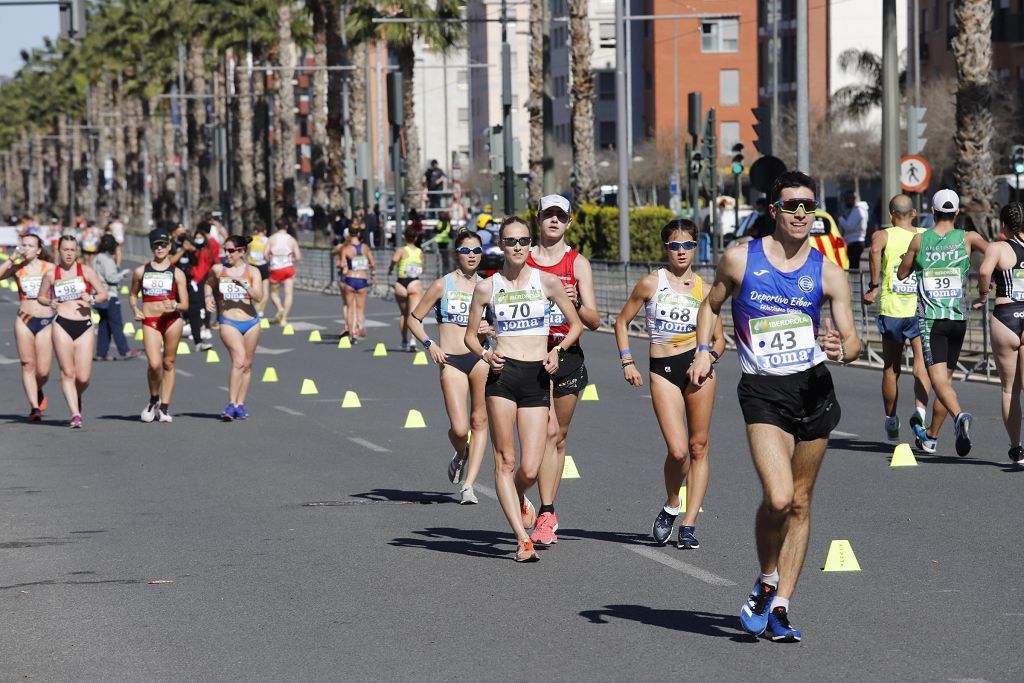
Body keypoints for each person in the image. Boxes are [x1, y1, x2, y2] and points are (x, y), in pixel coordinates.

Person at [689, 171, 862, 642]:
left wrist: (842, 344)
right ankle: (767, 578)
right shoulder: (739, 259)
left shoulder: (828, 271)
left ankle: (782, 605)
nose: (802, 214)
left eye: (809, 205)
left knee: (801, 502)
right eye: (792, 206)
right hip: (764, 392)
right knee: (779, 497)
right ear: (774, 211)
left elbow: (852, 338)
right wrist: (704, 350)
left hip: (814, 391)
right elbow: (711, 305)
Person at [463, 216, 584, 563]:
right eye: (510, 241)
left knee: (529, 469)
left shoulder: (547, 282)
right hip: (502, 376)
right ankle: (522, 538)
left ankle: (517, 497)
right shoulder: (487, 287)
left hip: (536, 376)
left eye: (523, 241)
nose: (517, 246)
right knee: (506, 460)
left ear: (530, 245)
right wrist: (486, 353)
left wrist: (557, 351)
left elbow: (574, 325)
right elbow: (471, 335)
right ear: (500, 245)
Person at [614, 219, 726, 549]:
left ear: (695, 248)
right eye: (675, 245)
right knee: (678, 451)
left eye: (688, 245)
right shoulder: (651, 283)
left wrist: (709, 359)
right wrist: (627, 360)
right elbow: (622, 322)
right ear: (666, 248)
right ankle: (672, 503)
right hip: (662, 368)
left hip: (698, 370)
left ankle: (689, 524)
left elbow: (720, 340)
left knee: (698, 447)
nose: (681, 251)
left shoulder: (706, 291)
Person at [525, 194, 601, 548]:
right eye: (548, 215)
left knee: (557, 436)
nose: (554, 221)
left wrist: (575, 302)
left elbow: (594, 321)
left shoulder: (577, 263)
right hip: (529, 354)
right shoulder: (524, 259)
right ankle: (526, 494)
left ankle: (547, 512)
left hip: (566, 353)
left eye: (560, 216)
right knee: (542, 433)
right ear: (538, 219)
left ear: (569, 222)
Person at [897, 189, 988, 456]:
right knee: (944, 382)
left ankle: (959, 416)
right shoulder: (968, 238)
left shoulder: (919, 240)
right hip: (958, 319)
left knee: (937, 381)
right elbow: (994, 253)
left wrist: (916, 263)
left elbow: (902, 274)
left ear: (933, 212)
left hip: (932, 320)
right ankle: (932, 438)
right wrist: (986, 288)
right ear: (957, 212)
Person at [408, 230, 491, 504]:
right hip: (451, 360)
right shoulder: (442, 285)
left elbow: (501, 325)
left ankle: (468, 485)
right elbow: (414, 319)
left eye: (477, 251)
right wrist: (430, 343)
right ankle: (462, 452)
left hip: (480, 358)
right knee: (459, 428)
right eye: (466, 250)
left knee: (479, 421)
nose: (472, 256)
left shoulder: (488, 286)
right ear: (457, 253)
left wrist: (490, 326)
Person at [862, 194, 932, 441]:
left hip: (893, 309)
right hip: (920, 308)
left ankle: (891, 420)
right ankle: (920, 417)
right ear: (913, 214)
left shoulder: (883, 235)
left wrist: (873, 285)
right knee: (921, 365)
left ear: (891, 215)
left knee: (891, 367)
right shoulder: (926, 234)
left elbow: (873, 251)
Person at [36, 235, 109, 428]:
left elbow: (103, 294)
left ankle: (77, 396)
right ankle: (75, 414)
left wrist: (91, 298)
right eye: (65, 249)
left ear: (76, 251)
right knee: (67, 373)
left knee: (83, 378)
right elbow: (41, 297)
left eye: (72, 250)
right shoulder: (52, 274)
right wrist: (50, 302)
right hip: (61, 324)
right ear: (58, 251)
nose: (69, 254)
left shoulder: (86, 271)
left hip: (84, 325)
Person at [975, 202, 1024, 464]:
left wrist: (983, 294)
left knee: (1010, 390)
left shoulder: (998, 247)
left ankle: (1016, 449)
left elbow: (984, 271)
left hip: (1006, 317)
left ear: (1003, 225)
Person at [130, 228, 190, 423]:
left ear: (170, 246)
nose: (160, 248)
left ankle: (164, 407)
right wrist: (135, 309)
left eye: (163, 244)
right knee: (155, 365)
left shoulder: (177, 273)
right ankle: (154, 398)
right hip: (151, 321)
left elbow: (185, 305)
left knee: (168, 363)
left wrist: (174, 305)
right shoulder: (141, 271)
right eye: (156, 245)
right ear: (152, 247)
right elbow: (133, 295)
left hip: (172, 320)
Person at [205, 234, 263, 421]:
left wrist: (246, 286)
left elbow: (259, 297)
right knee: (238, 360)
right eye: (225, 250)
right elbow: (208, 284)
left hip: (251, 322)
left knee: (247, 364)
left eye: (230, 251)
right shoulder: (218, 269)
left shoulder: (253, 271)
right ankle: (231, 404)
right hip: (229, 322)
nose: (226, 254)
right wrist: (208, 297)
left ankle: (240, 404)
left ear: (241, 252)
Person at [0, 233, 54, 420]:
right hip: (24, 318)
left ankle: (38, 389)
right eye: (23, 245)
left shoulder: (50, 268)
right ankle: (34, 407)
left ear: (38, 250)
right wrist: (11, 258)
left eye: (31, 245)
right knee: (27, 364)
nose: (26, 248)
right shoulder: (17, 268)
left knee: (43, 371)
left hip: (46, 320)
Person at [92, 234, 139, 361]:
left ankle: (101, 353)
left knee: (104, 324)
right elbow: (111, 278)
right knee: (116, 324)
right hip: (109, 294)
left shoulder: (96, 258)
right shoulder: (107, 260)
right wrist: (122, 276)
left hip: (98, 294)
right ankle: (125, 350)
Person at [336, 226, 376, 340]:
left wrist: (346, 265)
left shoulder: (346, 248)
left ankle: (351, 333)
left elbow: (342, 264)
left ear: (349, 234)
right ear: (358, 234)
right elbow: (373, 264)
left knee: (349, 308)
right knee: (360, 309)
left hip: (350, 279)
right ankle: (359, 327)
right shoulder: (365, 248)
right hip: (362, 280)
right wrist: (371, 272)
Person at [389, 228, 425, 351]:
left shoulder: (401, 250)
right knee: (413, 315)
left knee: (404, 314)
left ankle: (404, 341)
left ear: (404, 237)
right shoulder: (419, 252)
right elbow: (422, 269)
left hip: (401, 282)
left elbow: (393, 261)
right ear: (415, 238)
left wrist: (390, 269)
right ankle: (413, 341)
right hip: (414, 282)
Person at [265, 217, 301, 325]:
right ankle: (284, 318)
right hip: (288, 268)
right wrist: (290, 259)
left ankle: (280, 308)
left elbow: (265, 254)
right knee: (288, 293)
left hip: (276, 268)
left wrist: (271, 260)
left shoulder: (271, 239)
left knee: (274, 294)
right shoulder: (292, 240)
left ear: (276, 227)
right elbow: (298, 257)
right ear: (287, 226)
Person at [246, 221, 271, 315]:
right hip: (263, 265)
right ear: (264, 231)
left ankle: (251, 307)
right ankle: (260, 309)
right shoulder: (267, 240)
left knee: (250, 287)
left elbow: (246, 249)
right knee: (265, 289)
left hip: (252, 265)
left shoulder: (252, 239)